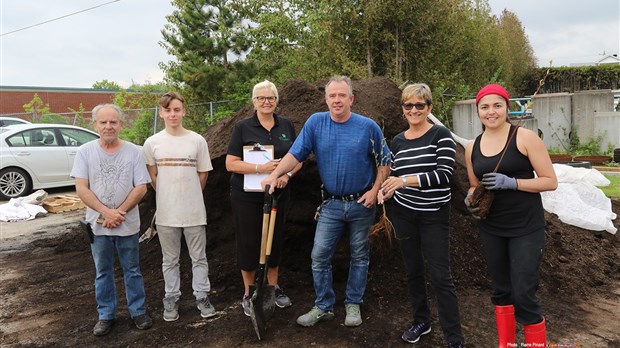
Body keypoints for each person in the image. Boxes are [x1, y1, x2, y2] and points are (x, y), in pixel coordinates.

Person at [262, 76, 391, 328]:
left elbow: (384, 161)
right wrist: (275, 174)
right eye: (332, 96)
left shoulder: (368, 127)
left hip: (361, 203)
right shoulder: (316, 124)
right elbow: (294, 154)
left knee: (360, 255)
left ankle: (353, 303)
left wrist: (375, 190)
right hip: (331, 204)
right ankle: (324, 306)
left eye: (342, 95)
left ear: (351, 99)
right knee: (319, 255)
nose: (336, 100)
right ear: (326, 99)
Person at [464, 84, 557, 347]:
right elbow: (474, 184)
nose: (491, 112)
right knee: (501, 290)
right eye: (485, 107)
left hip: (526, 227)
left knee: (524, 293)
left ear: (506, 107)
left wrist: (513, 183)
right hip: (491, 227)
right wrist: (470, 197)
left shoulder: (524, 138)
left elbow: (550, 181)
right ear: (478, 111)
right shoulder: (473, 147)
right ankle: (505, 344)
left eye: (497, 105)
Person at [378, 83, 464, 347]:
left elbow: (444, 175)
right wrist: (387, 189)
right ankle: (421, 321)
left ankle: (454, 336)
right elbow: (396, 175)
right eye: (408, 105)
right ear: (403, 109)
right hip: (404, 214)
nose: (414, 110)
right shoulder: (399, 140)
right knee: (413, 271)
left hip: (434, 215)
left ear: (429, 108)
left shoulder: (441, 135)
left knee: (440, 275)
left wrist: (404, 181)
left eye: (419, 105)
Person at [71, 103, 152, 336]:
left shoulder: (134, 152)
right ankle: (106, 315)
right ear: (94, 124)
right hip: (98, 226)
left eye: (113, 122)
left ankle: (138, 312)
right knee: (102, 271)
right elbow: (81, 188)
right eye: (103, 122)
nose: (108, 126)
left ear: (121, 124)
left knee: (133, 270)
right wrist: (106, 212)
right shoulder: (85, 152)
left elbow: (142, 187)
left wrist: (119, 212)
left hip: (127, 225)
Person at [225, 80, 302, 316]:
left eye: (271, 98)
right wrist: (263, 169)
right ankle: (249, 292)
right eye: (261, 98)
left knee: (274, 240)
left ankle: (273, 287)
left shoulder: (286, 126)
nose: (266, 102)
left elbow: (298, 157)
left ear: (277, 101)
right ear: (253, 101)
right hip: (247, 196)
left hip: (278, 193)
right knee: (249, 242)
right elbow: (231, 163)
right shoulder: (242, 128)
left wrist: (286, 175)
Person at [143, 91, 216, 322]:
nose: (172, 114)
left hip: (194, 212)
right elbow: (153, 177)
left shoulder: (197, 141)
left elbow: (202, 174)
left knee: (199, 257)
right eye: (167, 110)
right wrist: (168, 195)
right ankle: (171, 298)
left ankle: (202, 296)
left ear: (183, 111)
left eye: (176, 109)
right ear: (161, 112)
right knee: (169, 260)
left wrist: (190, 195)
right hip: (166, 214)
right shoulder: (152, 143)